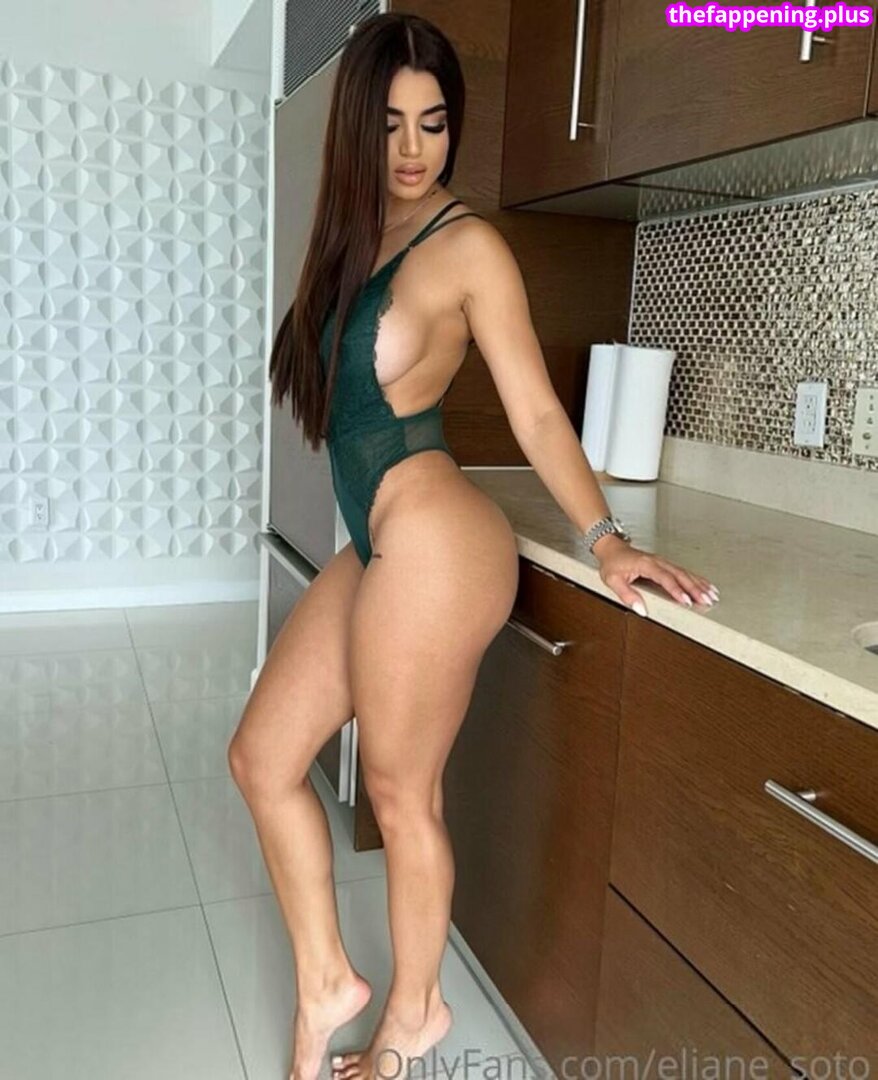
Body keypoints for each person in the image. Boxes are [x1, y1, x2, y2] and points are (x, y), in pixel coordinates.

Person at [228, 12, 720, 1080]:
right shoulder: (357, 237)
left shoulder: (468, 247)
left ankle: (413, 1018)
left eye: (434, 121)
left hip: (440, 542)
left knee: (402, 794)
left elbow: (536, 412)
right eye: (391, 124)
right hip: (379, 539)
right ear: (358, 132)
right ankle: (327, 982)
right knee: (262, 759)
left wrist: (605, 539)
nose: (414, 148)